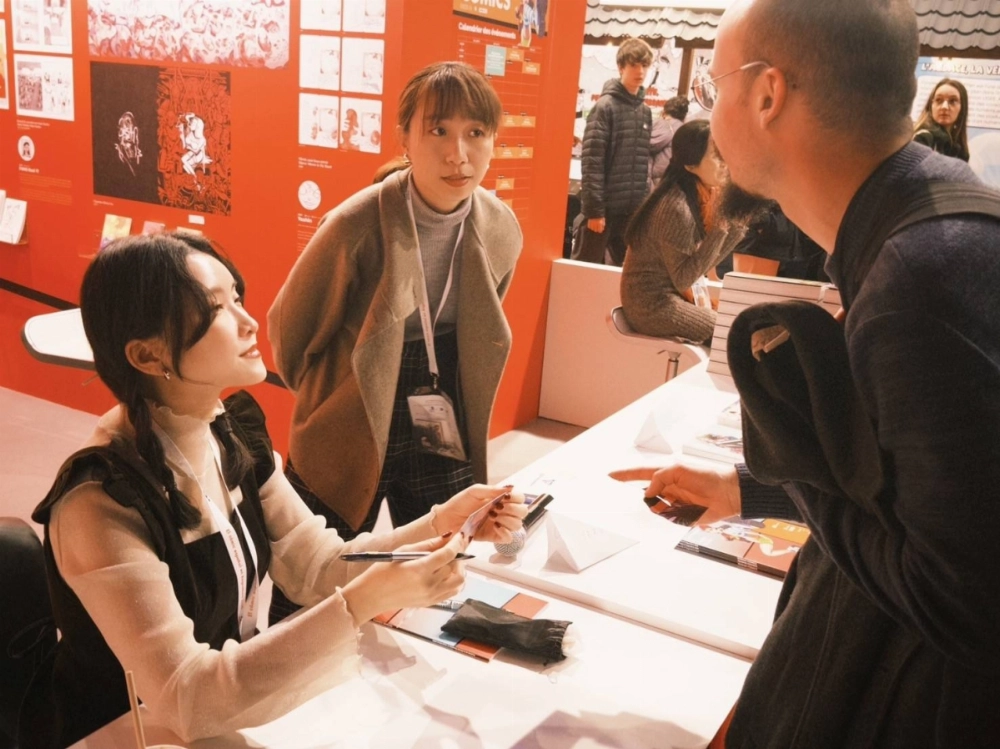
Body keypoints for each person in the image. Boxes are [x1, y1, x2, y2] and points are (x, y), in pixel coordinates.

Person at [615, 0, 1000, 746]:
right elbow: (917, 481)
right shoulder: (931, 222)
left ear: (767, 94)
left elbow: (966, 597)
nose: (707, 113)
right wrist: (754, 486)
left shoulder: (923, 278)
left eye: (713, 86)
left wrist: (797, 462)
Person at [18, 232, 525, 749]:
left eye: (236, 296)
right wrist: (362, 602)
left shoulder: (229, 432)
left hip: (214, 714)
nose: (248, 321)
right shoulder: (101, 501)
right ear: (149, 356)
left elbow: (319, 567)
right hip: (119, 730)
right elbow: (186, 695)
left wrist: (441, 524)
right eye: (216, 308)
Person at [267, 62, 522, 623]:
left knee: (446, 554)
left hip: (439, 395)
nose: (459, 153)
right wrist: (325, 401)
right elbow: (290, 332)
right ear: (404, 136)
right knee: (310, 577)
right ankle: (287, 687)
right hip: (351, 404)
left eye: (476, 133)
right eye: (438, 131)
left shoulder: (501, 226)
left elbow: (481, 322)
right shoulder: (355, 224)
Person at [620, 120, 743, 343]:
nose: (725, 163)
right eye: (716, 156)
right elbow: (685, 278)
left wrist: (737, 220)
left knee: (735, 324)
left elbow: (704, 263)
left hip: (671, 297)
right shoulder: (676, 208)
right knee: (733, 333)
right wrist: (721, 228)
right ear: (690, 165)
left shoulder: (699, 197)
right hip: (651, 306)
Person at [574, 37, 653, 266]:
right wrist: (595, 210)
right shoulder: (605, 107)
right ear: (621, 67)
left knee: (625, 276)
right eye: (634, 65)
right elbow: (592, 162)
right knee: (583, 270)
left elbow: (642, 163)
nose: (640, 71)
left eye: (645, 65)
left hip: (631, 212)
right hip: (603, 211)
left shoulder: (645, 111)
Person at [913, 77, 970, 162]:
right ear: (931, 106)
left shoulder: (956, 147)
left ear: (962, 109)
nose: (944, 107)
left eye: (952, 101)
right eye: (938, 100)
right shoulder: (923, 138)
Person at [649, 96, 688, 185]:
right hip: (674, 181)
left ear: (664, 112)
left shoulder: (657, 124)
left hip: (653, 180)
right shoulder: (686, 131)